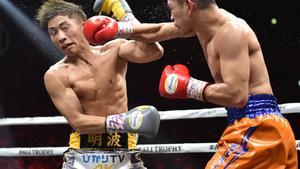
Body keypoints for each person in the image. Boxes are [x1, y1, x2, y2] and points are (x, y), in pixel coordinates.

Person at [93, 0, 298, 168]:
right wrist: (119, 28)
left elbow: (237, 96)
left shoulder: (231, 31)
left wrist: (188, 86)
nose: (171, 17)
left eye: (173, 10)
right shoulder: (201, 26)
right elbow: (156, 32)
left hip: (258, 126)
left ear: (189, 6)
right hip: (256, 125)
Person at [36, 0, 163, 168]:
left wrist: (126, 18)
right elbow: (78, 122)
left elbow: (154, 51)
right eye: (53, 32)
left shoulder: (114, 50)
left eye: (65, 27)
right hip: (83, 155)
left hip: (124, 150)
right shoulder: (56, 74)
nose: (60, 37)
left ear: (83, 25)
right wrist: (124, 122)